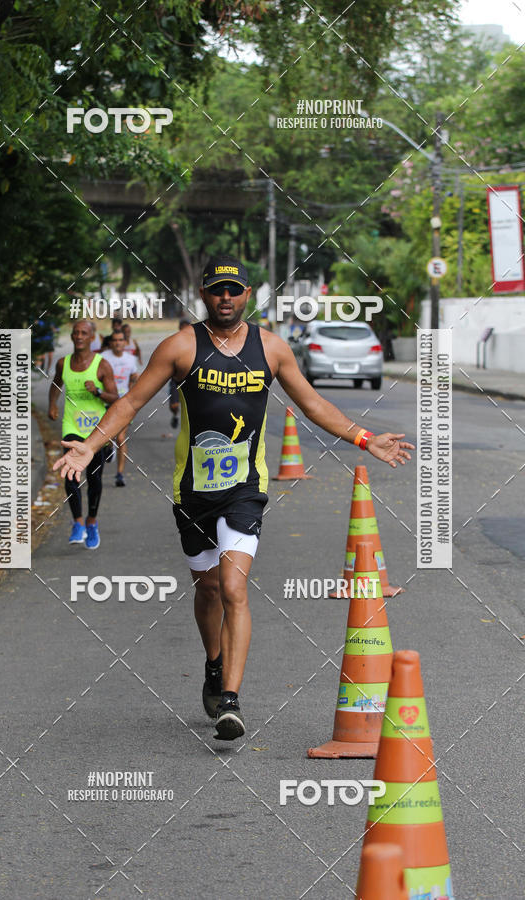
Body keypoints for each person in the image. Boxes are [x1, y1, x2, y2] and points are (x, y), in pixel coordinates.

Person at [53, 255, 414, 740]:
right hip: (192, 492)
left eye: (235, 290)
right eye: (218, 290)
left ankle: (231, 700)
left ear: (248, 296)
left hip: (245, 490)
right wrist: (91, 445)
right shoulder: (181, 347)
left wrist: (366, 439)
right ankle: (214, 662)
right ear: (204, 294)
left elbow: (312, 403)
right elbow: (132, 401)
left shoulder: (272, 349)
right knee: (206, 590)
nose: (227, 297)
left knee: (234, 588)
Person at [48, 320, 118, 549]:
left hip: (96, 429)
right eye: (76, 333)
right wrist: (52, 405)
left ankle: (91, 522)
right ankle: (77, 522)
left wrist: (97, 391)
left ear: (92, 337)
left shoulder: (102, 365)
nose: (79, 336)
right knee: (71, 474)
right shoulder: (63, 363)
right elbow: (56, 384)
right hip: (72, 427)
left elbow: (115, 397)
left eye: (84, 333)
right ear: (72, 336)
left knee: (94, 478)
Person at [102, 331, 139, 486]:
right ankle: (110, 447)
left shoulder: (131, 359)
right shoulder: (103, 357)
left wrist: (132, 392)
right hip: (106, 402)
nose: (118, 343)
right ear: (110, 343)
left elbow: (134, 376)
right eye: (115, 340)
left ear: (125, 342)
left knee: (121, 437)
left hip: (124, 403)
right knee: (108, 437)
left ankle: (119, 474)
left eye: (121, 340)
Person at [168, 318, 192, 429]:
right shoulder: (174, 342)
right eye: (183, 329)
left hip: (191, 379)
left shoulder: (196, 342)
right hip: (176, 379)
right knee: (174, 405)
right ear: (179, 329)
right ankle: (175, 415)